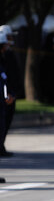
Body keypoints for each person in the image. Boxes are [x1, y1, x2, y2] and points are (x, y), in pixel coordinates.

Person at [0, 27, 18, 157]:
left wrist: (12, 93)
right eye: (9, 38)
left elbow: (6, 77)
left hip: (6, 96)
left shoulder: (8, 54)